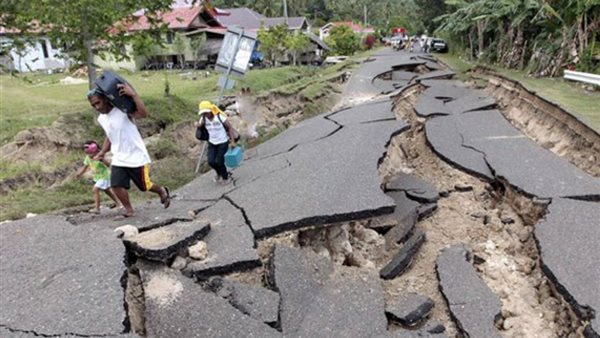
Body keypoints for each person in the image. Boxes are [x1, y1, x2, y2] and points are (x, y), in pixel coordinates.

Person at [87, 83, 170, 220]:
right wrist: (102, 151)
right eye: (93, 105)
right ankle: (129, 210)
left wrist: (133, 95)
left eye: (98, 103)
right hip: (119, 157)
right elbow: (110, 134)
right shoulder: (102, 118)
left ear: (106, 99)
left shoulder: (122, 110)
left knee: (145, 185)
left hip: (137, 156)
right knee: (116, 184)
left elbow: (143, 114)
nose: (97, 107)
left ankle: (161, 191)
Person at [196, 100, 237, 185]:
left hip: (223, 141)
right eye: (203, 113)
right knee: (211, 161)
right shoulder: (203, 119)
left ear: (210, 110)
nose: (205, 115)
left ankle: (225, 177)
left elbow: (229, 128)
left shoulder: (219, 117)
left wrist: (232, 141)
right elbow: (200, 126)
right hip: (212, 142)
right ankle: (219, 173)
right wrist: (197, 125)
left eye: (206, 112)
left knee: (220, 161)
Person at [74, 140, 120, 214]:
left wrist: (102, 160)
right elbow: (85, 167)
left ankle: (97, 208)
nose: (89, 155)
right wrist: (79, 174)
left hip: (105, 176)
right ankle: (118, 203)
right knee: (107, 191)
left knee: (95, 189)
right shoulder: (88, 158)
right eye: (87, 153)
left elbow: (108, 165)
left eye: (90, 153)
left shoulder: (100, 156)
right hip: (98, 177)